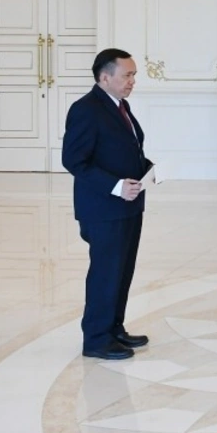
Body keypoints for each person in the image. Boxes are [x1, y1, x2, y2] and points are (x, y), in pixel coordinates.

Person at [62, 48, 154, 361]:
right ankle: (96, 339)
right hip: (103, 209)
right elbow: (74, 160)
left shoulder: (120, 106)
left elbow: (127, 150)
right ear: (105, 77)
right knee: (106, 272)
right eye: (127, 75)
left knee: (122, 271)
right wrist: (116, 186)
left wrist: (148, 170)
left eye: (133, 75)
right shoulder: (86, 109)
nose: (132, 81)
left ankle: (114, 328)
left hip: (129, 205)